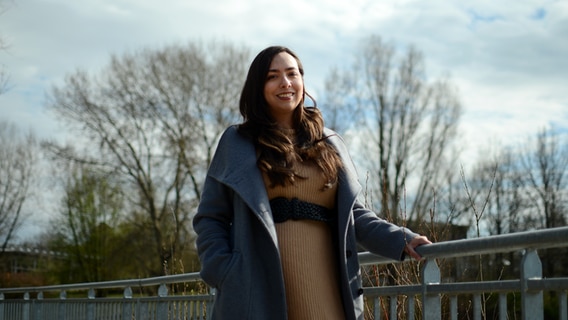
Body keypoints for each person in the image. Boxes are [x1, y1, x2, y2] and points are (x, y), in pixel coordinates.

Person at [193, 46, 431, 320]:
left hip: (327, 280)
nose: (285, 83)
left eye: (292, 74)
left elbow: (355, 216)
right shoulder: (237, 142)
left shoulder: (330, 143)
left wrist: (400, 238)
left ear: (302, 81)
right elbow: (210, 217)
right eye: (273, 76)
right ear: (258, 87)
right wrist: (223, 270)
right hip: (256, 287)